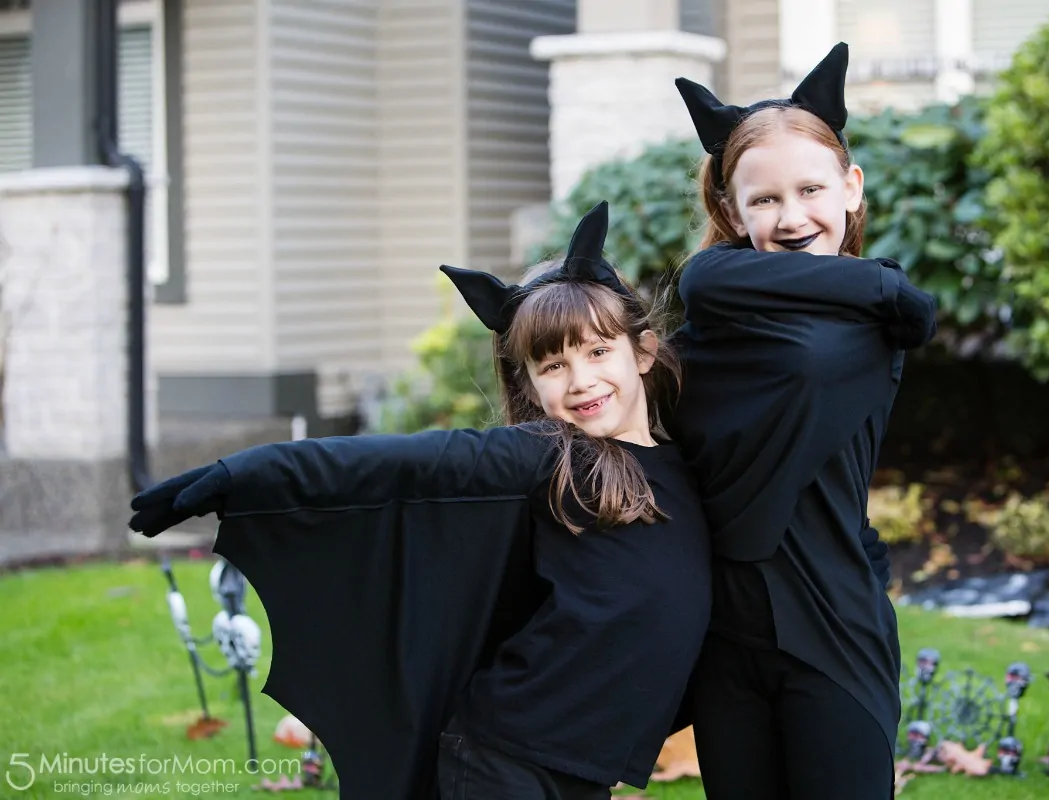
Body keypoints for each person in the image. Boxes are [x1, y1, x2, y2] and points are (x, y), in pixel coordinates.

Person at [128, 202, 712, 800]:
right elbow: (404, 463)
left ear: (641, 353)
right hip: (503, 761)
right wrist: (248, 472)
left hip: (578, 771)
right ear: (531, 386)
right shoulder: (549, 457)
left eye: (597, 352)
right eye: (553, 365)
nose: (581, 380)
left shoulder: (691, 465)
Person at [665, 42, 939, 799]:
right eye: (764, 200)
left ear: (852, 188)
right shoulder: (858, 298)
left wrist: (882, 288)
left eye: (811, 189)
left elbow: (714, 279)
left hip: (829, 624)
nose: (791, 219)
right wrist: (889, 284)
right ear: (728, 209)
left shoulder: (855, 322)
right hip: (725, 635)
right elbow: (706, 278)